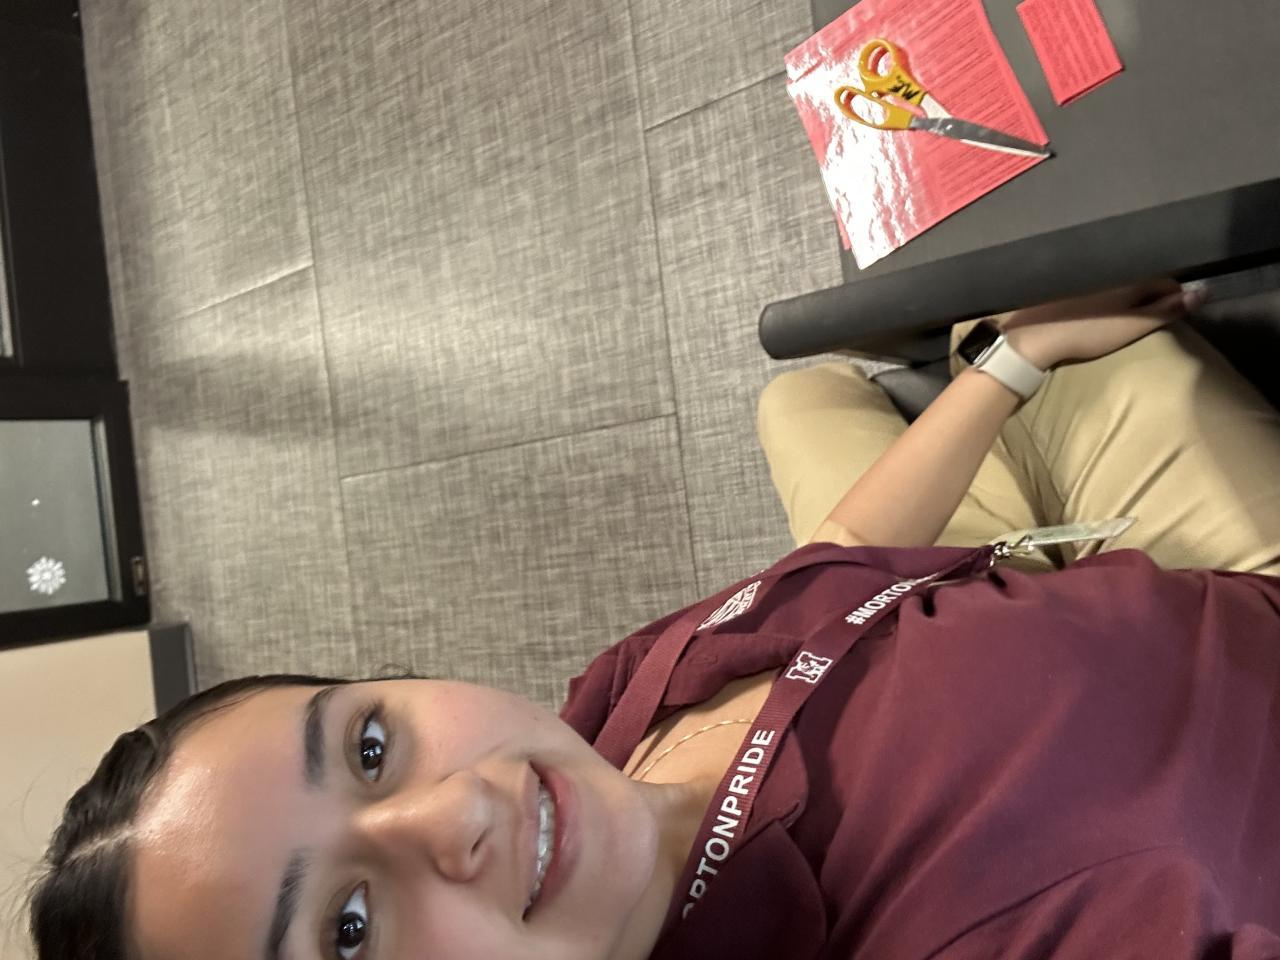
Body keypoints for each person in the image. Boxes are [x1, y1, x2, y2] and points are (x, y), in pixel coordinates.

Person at [26, 283, 1280, 960]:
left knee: (812, 391)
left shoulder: (606, 723)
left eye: (367, 747)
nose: (453, 813)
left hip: (1012, 579)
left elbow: (825, 576)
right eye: (347, 932)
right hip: (1242, 616)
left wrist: (1012, 364)